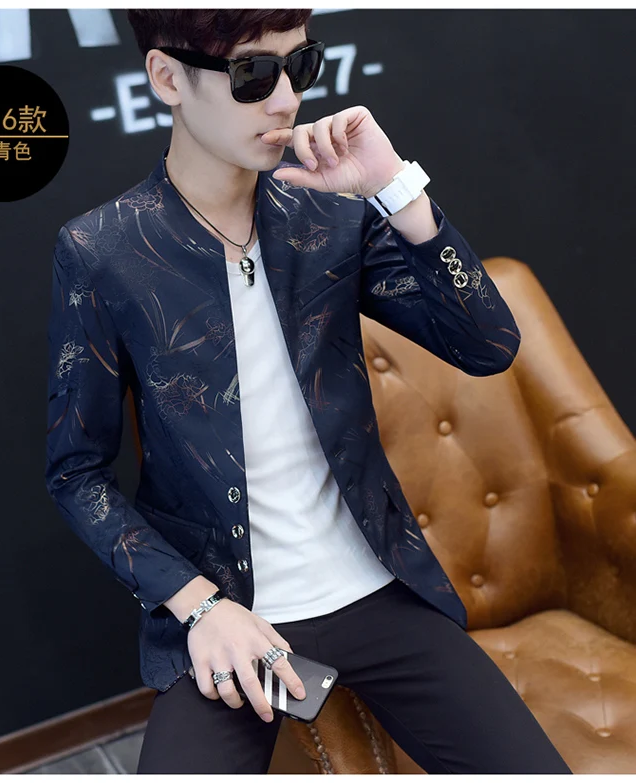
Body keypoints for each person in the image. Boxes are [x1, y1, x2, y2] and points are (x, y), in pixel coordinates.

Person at [44, 9, 572, 775]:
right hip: (232, 609)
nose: (287, 99)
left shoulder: (330, 216)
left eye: (301, 66)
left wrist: (396, 189)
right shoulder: (105, 251)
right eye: (254, 73)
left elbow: (486, 344)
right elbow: (76, 473)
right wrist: (198, 605)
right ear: (167, 78)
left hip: (379, 587)